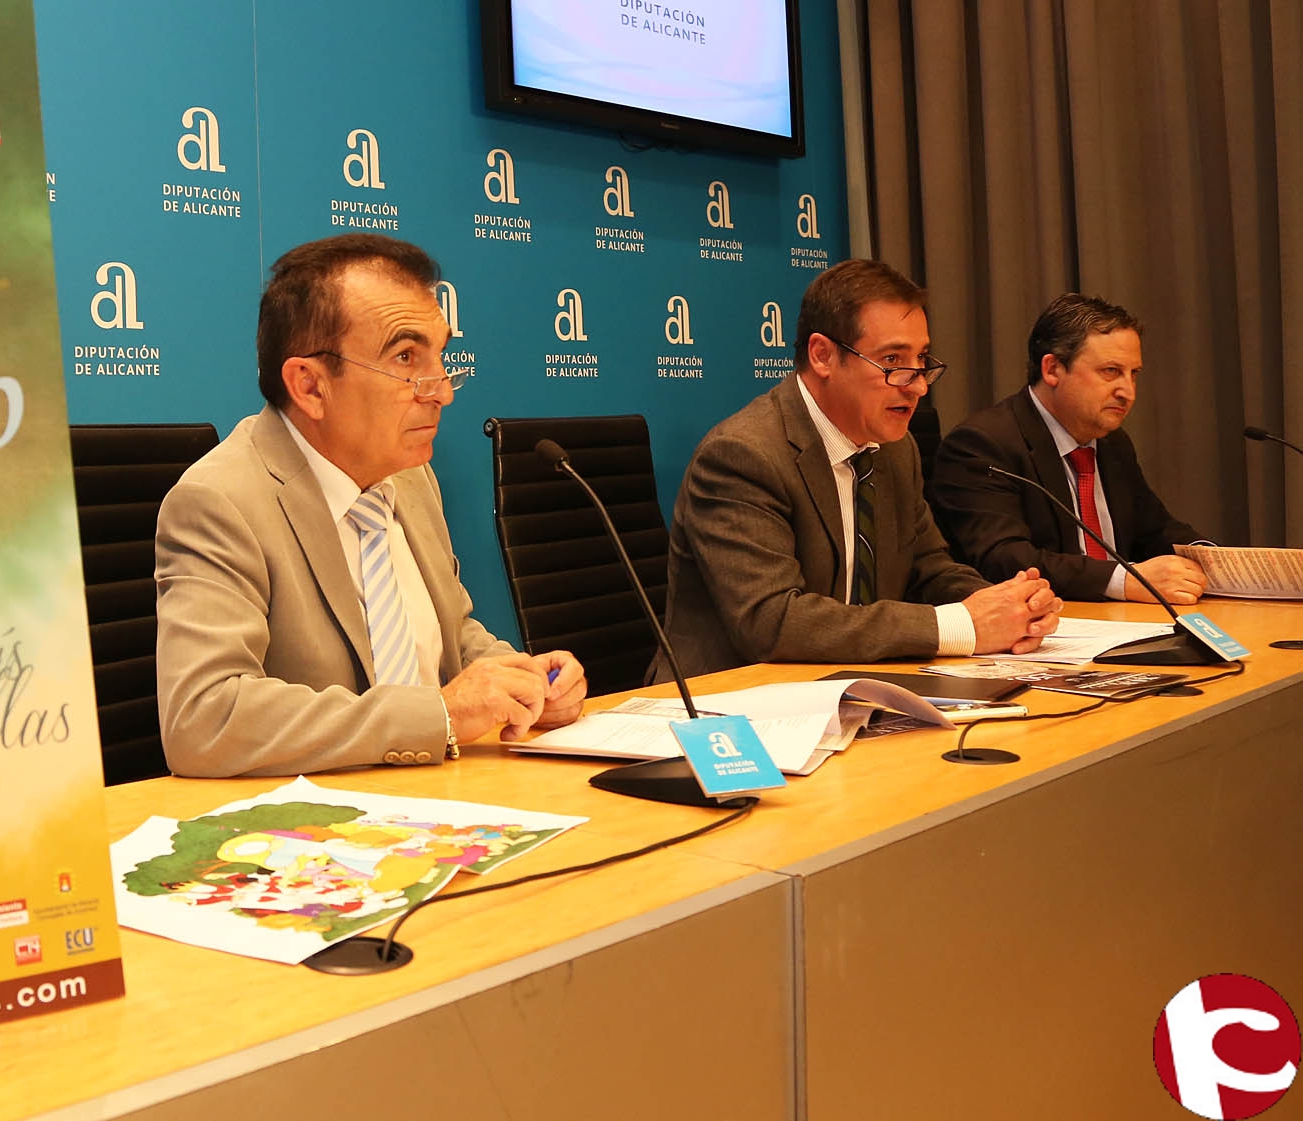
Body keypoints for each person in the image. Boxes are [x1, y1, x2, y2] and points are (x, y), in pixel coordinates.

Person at [155, 234, 586, 776]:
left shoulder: (410, 475)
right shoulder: (220, 502)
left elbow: (448, 634)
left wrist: (521, 680)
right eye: (406, 358)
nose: (443, 391)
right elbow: (203, 718)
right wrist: (439, 715)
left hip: (444, 796)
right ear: (310, 386)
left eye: (441, 356)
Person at [662, 259, 1062, 678]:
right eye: (893, 360)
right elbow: (772, 621)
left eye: (921, 359)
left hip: (854, 684)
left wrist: (1011, 608)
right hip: (732, 698)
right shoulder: (743, 455)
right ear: (822, 356)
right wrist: (962, 626)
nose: (918, 385)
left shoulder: (895, 449)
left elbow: (928, 569)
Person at [931, 294, 1207, 604]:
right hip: (1045, 623)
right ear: (1052, 369)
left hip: (1123, 619)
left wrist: (1219, 563)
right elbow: (1004, 559)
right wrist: (1123, 580)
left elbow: (1156, 531)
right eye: (1111, 371)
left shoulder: (1112, 443)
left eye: (1134, 374)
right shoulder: (983, 445)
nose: (1128, 392)